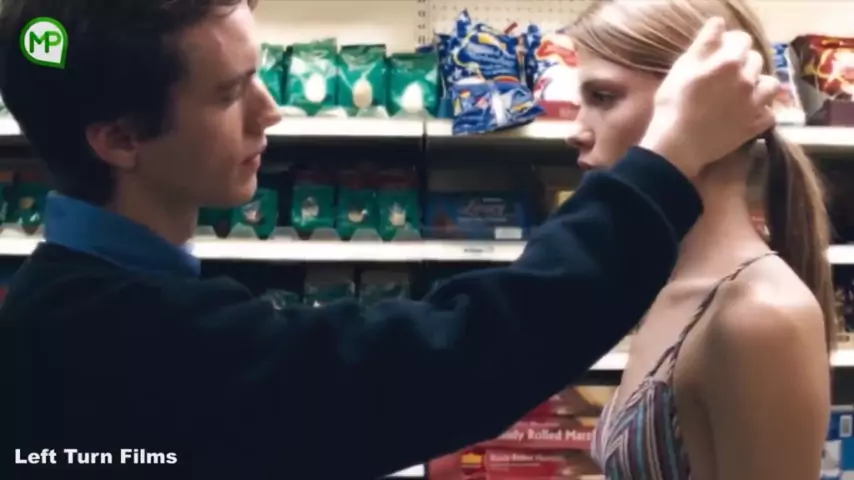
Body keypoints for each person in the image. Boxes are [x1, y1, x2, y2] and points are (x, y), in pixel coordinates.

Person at [0, 0, 778, 478]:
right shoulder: (103, 336)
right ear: (121, 139)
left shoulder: (95, 297)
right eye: (230, 93)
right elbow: (456, 356)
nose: (271, 111)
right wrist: (663, 163)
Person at [566, 0, 832, 478]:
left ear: (709, 100)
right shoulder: (668, 288)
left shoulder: (759, 316)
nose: (576, 131)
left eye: (603, 97)